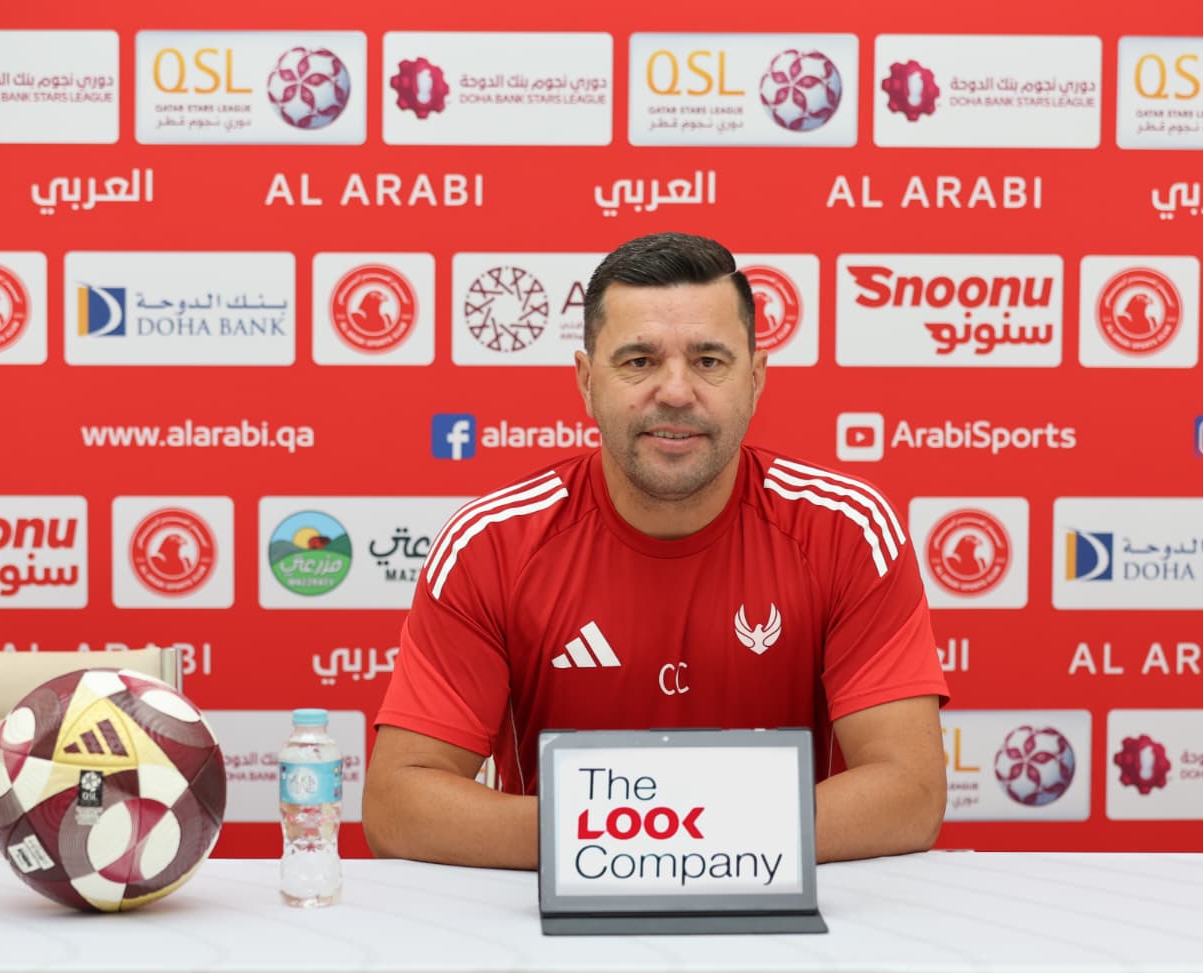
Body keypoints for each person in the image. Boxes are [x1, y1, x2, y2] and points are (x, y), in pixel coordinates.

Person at [364, 232, 949, 869]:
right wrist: (650, 842)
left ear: (755, 379)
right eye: (639, 361)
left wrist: (642, 836)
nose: (675, 392)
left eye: (709, 361)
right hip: (564, 913)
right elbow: (398, 805)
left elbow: (909, 793)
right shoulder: (492, 544)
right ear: (587, 380)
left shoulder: (846, 531)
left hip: (781, 910)